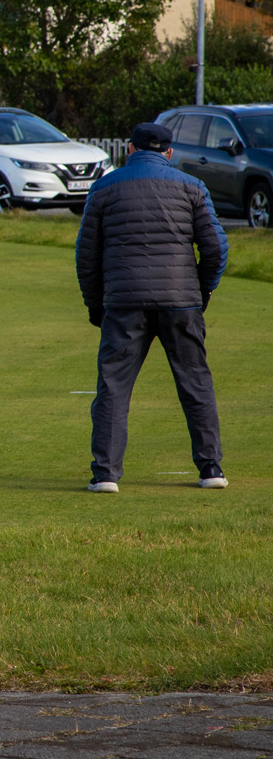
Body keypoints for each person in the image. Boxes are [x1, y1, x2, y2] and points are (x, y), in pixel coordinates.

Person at [75, 121, 228, 493]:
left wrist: (97, 306)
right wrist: (201, 291)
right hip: (182, 302)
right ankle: (211, 469)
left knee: (113, 387)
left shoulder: (104, 188)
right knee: (196, 383)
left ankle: (106, 475)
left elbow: (86, 256)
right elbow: (216, 248)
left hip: (124, 302)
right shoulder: (192, 187)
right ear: (169, 153)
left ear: (129, 149)